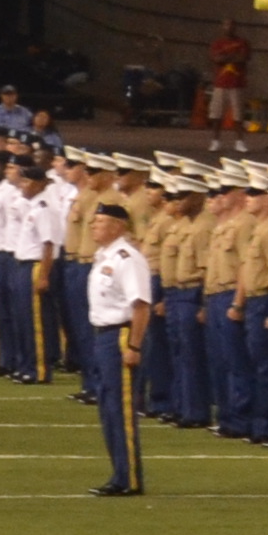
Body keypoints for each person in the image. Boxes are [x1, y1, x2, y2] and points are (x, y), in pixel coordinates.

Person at [80, 197, 158, 496]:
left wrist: (134, 346)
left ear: (117, 226)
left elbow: (141, 305)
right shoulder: (105, 256)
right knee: (108, 407)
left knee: (121, 408)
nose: (93, 226)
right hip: (103, 335)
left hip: (121, 335)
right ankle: (119, 474)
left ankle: (129, 479)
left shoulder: (127, 258)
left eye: (100, 222)